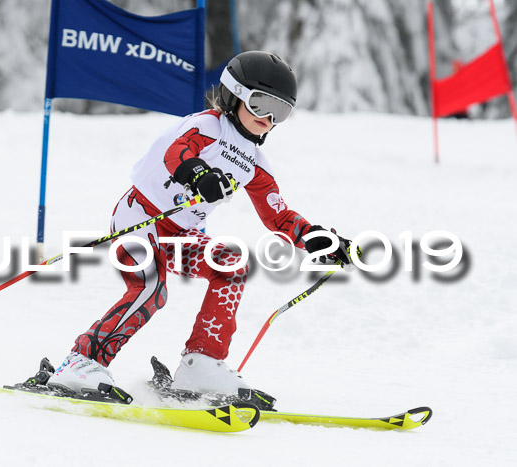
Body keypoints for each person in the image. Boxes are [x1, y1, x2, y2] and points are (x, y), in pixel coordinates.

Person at [47, 51, 357, 398]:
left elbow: (278, 215)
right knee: (151, 290)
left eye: (280, 111)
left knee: (231, 263)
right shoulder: (207, 126)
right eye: (260, 104)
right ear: (234, 94)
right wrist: (199, 175)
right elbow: (177, 153)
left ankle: (201, 363)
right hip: (141, 219)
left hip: (182, 234)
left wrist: (316, 239)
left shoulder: (254, 161)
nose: (268, 118)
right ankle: (80, 361)